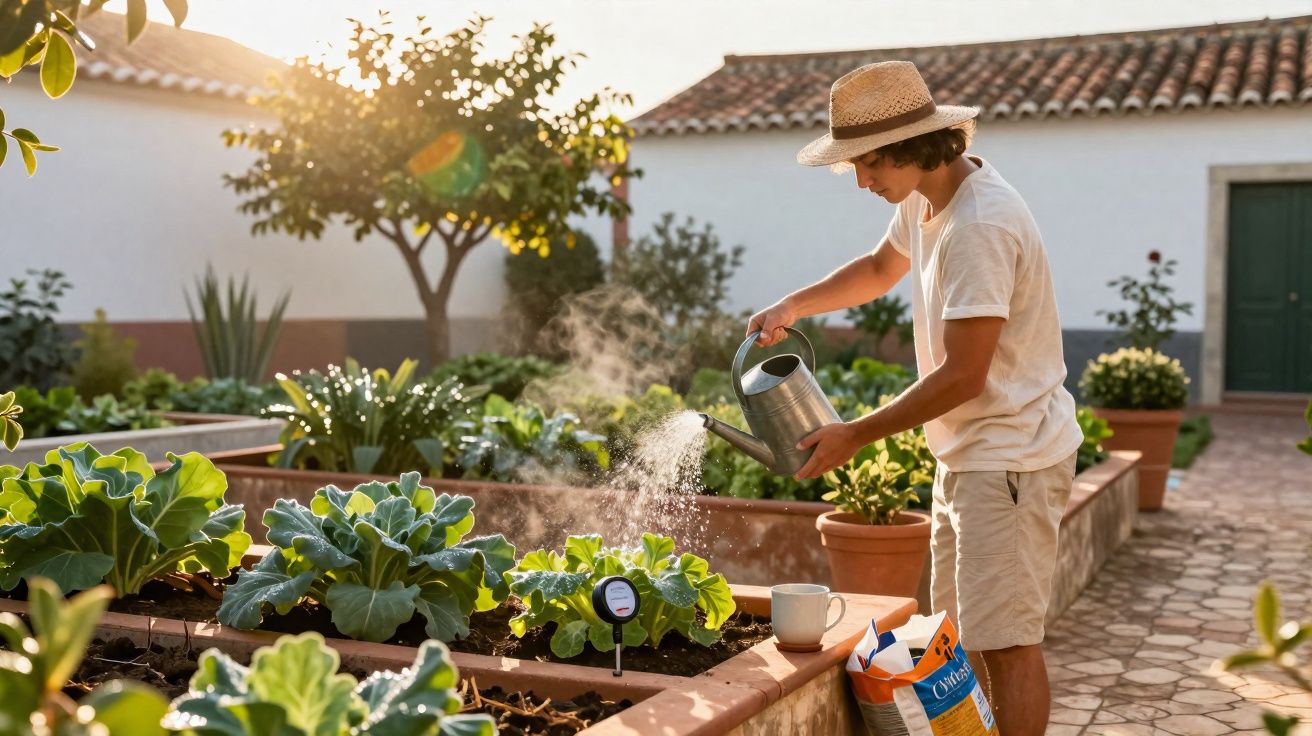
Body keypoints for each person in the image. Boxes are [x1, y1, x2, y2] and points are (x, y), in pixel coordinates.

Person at [748, 60, 1082, 736]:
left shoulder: (980, 226)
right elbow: (878, 269)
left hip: (1010, 458)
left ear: (918, 145)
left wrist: (855, 433)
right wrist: (796, 304)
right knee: (966, 637)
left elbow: (965, 375)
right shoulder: (926, 199)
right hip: (970, 456)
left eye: (871, 164)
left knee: (1010, 643)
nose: (864, 181)